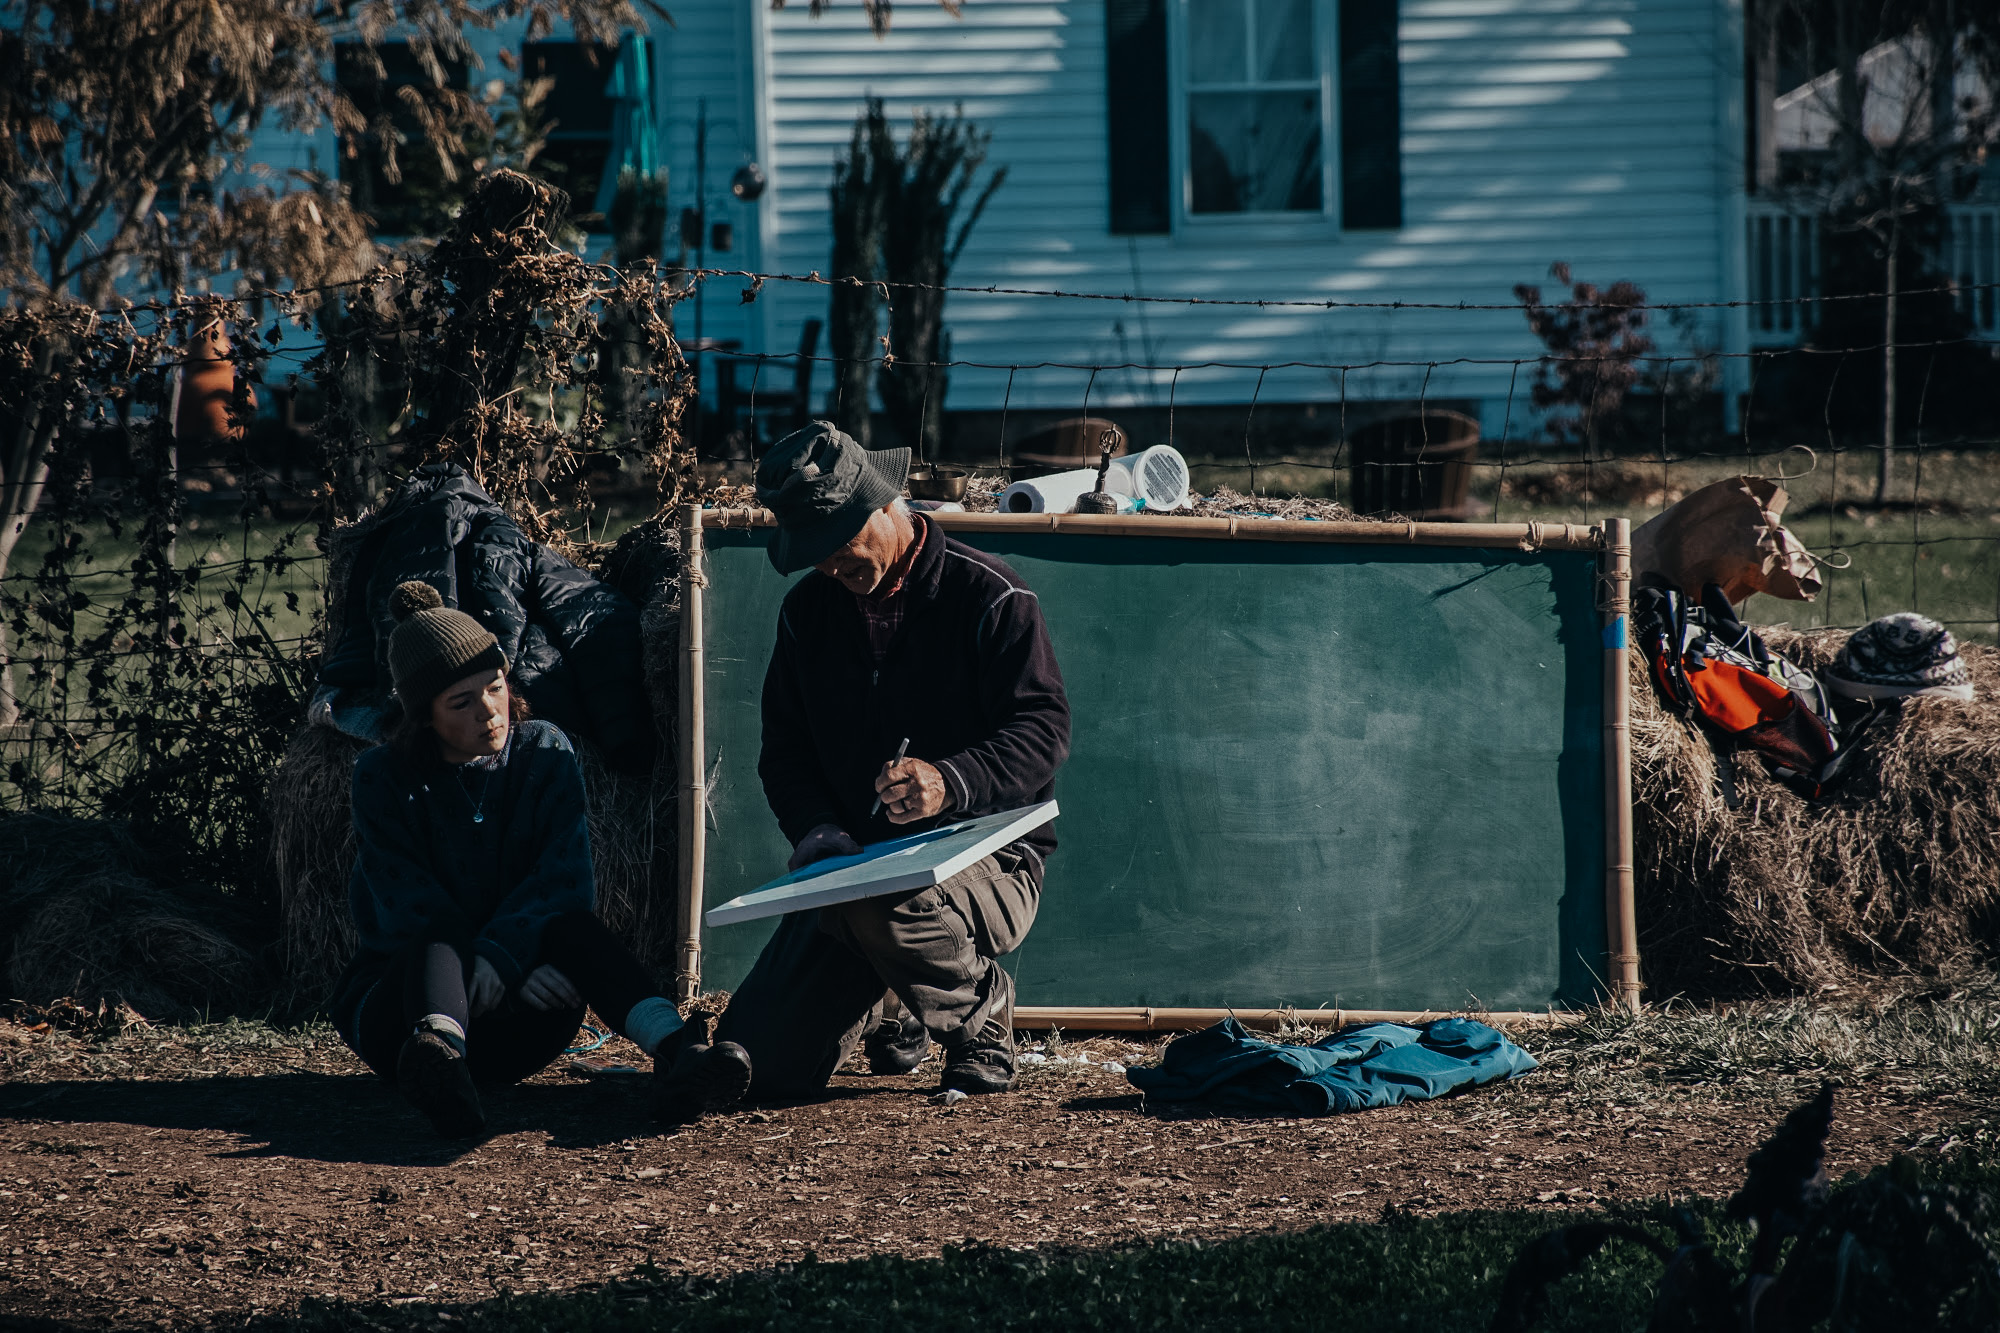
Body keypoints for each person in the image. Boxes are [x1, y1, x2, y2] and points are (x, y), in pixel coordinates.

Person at [659, 422, 1071, 1115]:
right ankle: (896, 997)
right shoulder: (808, 614)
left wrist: (949, 781)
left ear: (888, 504)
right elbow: (783, 749)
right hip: (853, 875)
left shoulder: (992, 597)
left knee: (881, 895)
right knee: (748, 1065)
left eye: (837, 546)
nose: (828, 567)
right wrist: (815, 827)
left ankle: (980, 1012)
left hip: (991, 859)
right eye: (813, 555)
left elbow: (1043, 730)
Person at [329, 580, 732, 1137]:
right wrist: (480, 961)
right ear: (424, 716)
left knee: (574, 926)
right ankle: (439, 1061)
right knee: (436, 936)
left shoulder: (543, 750)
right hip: (401, 1015)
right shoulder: (381, 778)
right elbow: (405, 902)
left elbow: (563, 881)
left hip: (520, 1010)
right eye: (461, 702)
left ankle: (679, 1051)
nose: (489, 712)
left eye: (494, 688)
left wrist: (507, 960)